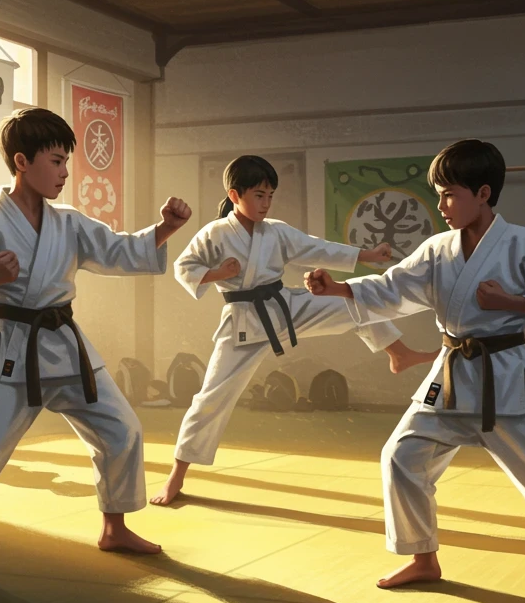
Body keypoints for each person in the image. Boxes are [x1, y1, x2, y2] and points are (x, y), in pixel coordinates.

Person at [304, 140, 525, 595]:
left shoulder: (522, 243)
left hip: (504, 377)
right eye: (439, 194)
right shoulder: (438, 248)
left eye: (450, 194)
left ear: (484, 193)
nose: (442, 206)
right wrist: (339, 290)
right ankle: (423, 558)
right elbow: (394, 287)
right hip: (451, 374)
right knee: (401, 457)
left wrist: (507, 301)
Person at [0, 107, 192, 571]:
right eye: (55, 161)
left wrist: (167, 228)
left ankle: (113, 528)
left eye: (65, 161)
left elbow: (119, 249)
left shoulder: (68, 221)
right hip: (13, 348)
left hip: (65, 344)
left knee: (122, 429)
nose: (64, 172)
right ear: (21, 162)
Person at [150, 155, 434, 505]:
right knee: (211, 399)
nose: (266, 204)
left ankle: (398, 352)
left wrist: (368, 255)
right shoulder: (215, 233)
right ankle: (175, 477)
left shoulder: (277, 231)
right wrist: (219, 275)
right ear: (235, 194)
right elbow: (184, 268)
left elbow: (317, 247)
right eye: (258, 195)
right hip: (244, 321)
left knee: (352, 297)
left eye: (270, 195)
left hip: (285, 306)